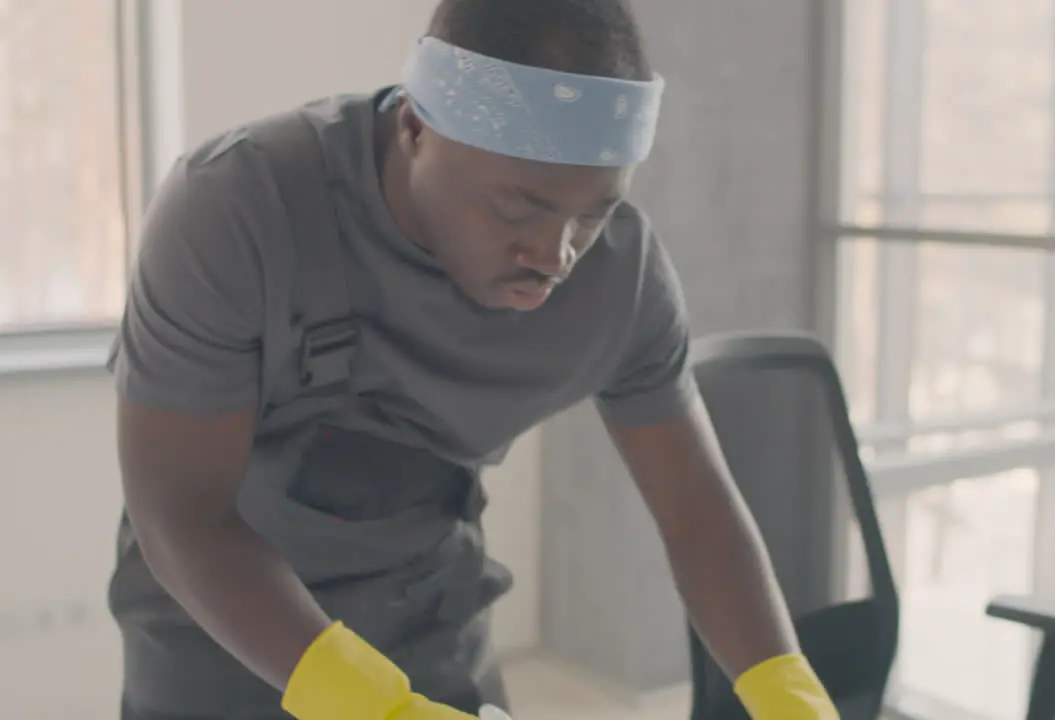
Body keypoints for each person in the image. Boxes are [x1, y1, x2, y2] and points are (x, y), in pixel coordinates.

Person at [106, 1, 840, 718]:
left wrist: (788, 693)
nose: (555, 255)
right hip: (217, 632)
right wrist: (376, 708)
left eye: (593, 211)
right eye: (519, 206)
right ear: (417, 126)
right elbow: (182, 513)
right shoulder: (238, 208)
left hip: (428, 629)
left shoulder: (621, 281)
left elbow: (697, 513)